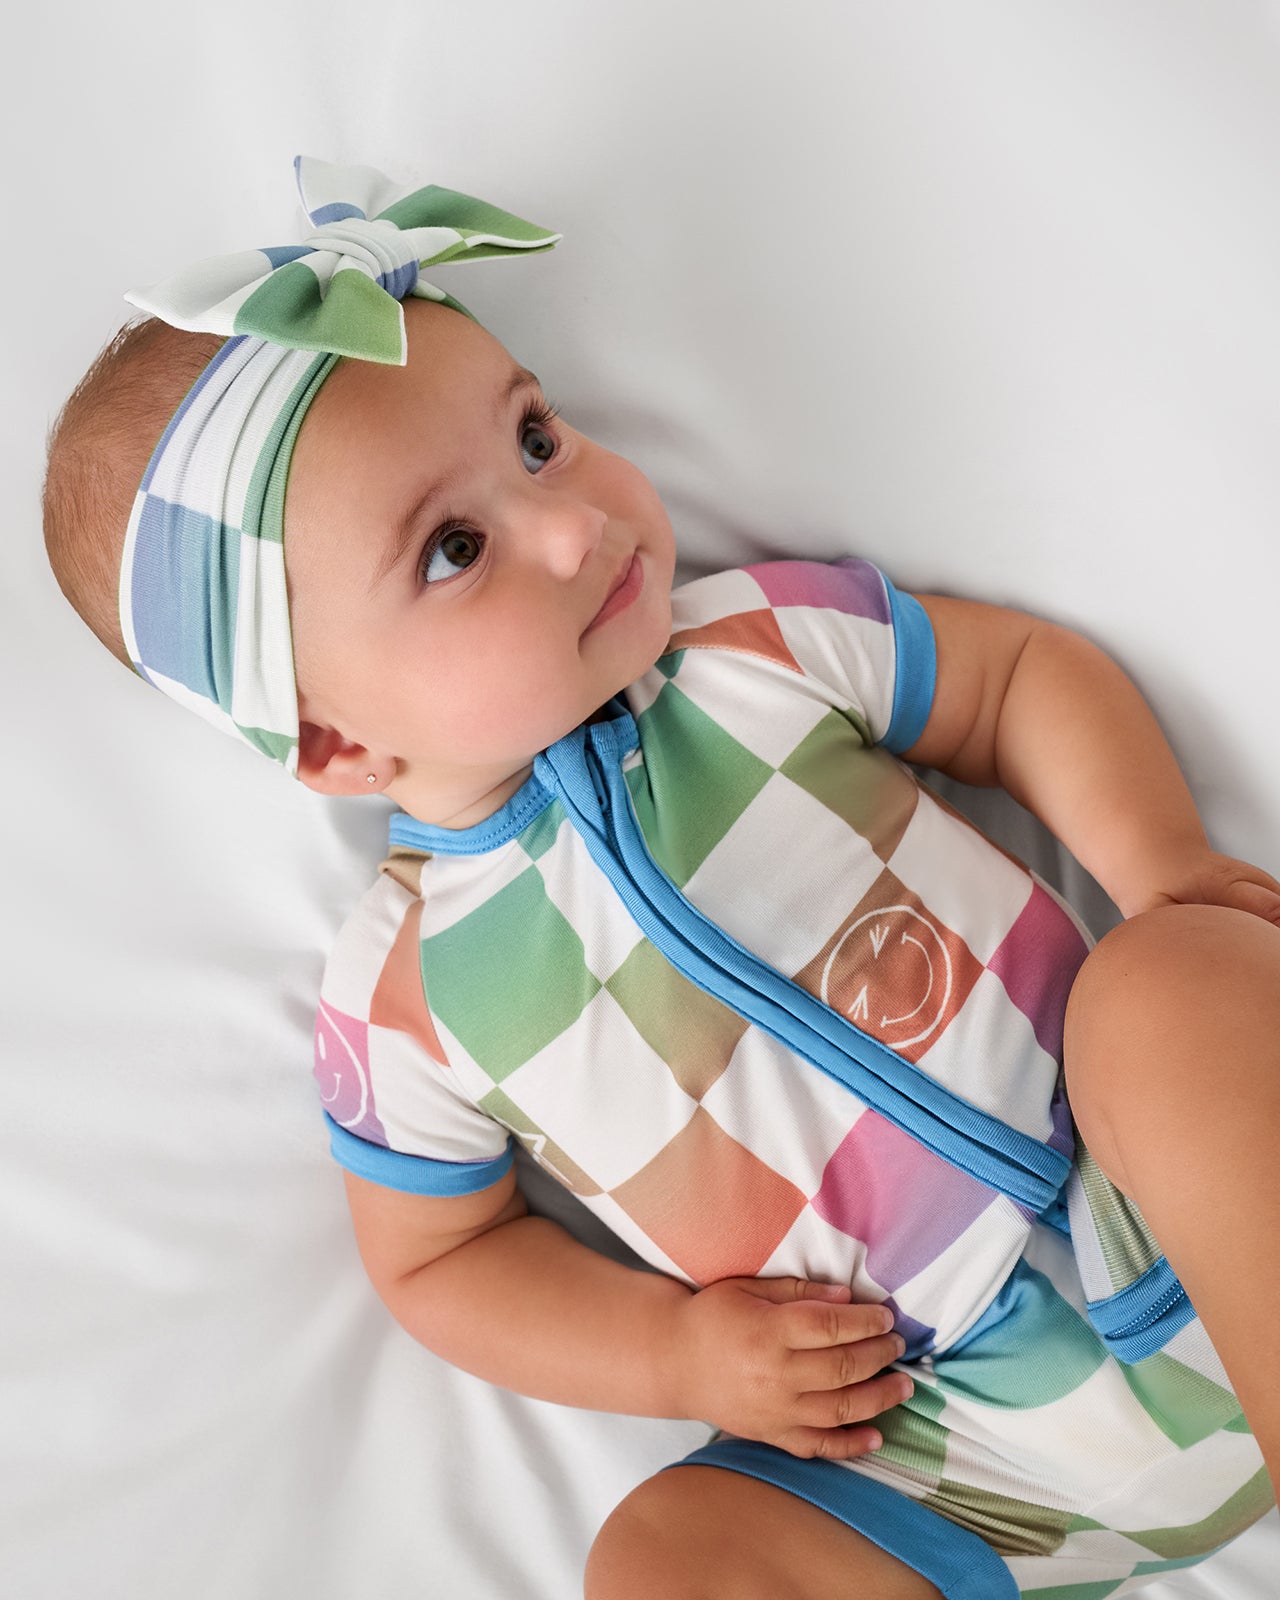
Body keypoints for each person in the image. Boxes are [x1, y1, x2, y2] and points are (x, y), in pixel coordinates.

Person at [43, 158, 1280, 1599]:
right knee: (659, 1557)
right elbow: (442, 1264)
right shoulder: (399, 998)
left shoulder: (747, 653)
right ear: (334, 738)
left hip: (1165, 1210)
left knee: (1173, 988)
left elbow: (1012, 678)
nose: (573, 526)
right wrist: (677, 1355)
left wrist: (1158, 863)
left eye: (535, 438)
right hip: (928, 1439)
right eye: (455, 549)